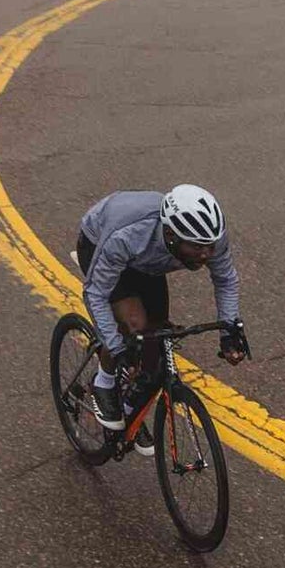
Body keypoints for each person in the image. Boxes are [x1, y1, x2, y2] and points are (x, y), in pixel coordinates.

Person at [76, 183, 248, 438]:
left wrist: (229, 331)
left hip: (148, 261)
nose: (205, 255)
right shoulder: (127, 235)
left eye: (209, 247)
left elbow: (225, 279)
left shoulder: (211, 238)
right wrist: (116, 348)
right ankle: (103, 382)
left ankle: (127, 410)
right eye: (197, 247)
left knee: (156, 337)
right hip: (101, 241)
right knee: (134, 325)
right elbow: (95, 294)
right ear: (171, 234)